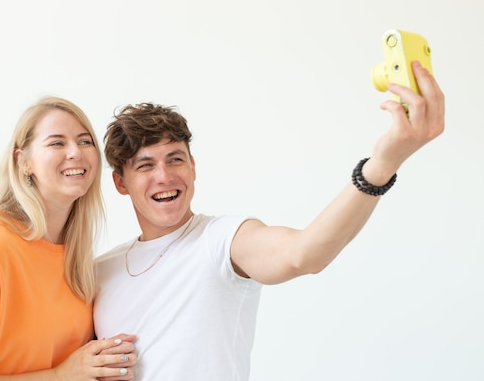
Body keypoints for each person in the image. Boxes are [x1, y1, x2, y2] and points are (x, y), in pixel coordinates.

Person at [93, 61, 445, 380]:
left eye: (175, 159)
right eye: (145, 165)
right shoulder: (98, 271)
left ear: (193, 166)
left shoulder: (222, 241)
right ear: (121, 182)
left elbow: (304, 254)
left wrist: (380, 167)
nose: (165, 176)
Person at [0, 96, 137, 381]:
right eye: (56, 142)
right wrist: (60, 375)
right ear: (23, 161)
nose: (75, 152)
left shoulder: (74, 256)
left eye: (84, 141)